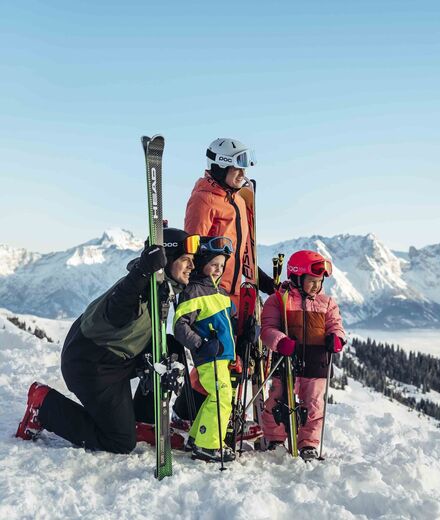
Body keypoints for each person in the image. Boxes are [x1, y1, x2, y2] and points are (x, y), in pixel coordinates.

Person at [15, 228, 198, 453]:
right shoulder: (139, 287)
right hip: (91, 365)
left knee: (170, 348)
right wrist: (142, 271)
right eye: (186, 260)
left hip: (118, 358)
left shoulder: (161, 288)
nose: (192, 266)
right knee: (120, 442)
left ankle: (144, 421)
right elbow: (117, 310)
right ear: (167, 261)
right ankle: (45, 406)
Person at [260, 250, 346, 460]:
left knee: (314, 405)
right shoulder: (278, 300)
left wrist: (336, 338)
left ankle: (308, 443)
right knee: (277, 400)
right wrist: (280, 341)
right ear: (297, 277)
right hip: (286, 358)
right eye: (312, 280)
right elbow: (267, 329)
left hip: (317, 361)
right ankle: (275, 438)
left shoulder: (327, 303)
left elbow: (336, 325)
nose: (316, 285)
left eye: (319, 281)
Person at [184, 138, 275, 307]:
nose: (243, 174)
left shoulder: (239, 201)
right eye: (237, 169)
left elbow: (241, 252)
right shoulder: (203, 200)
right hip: (212, 293)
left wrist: (263, 281)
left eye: (244, 169)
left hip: (235, 294)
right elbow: (193, 249)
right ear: (220, 168)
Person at [172, 237, 237, 462]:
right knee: (222, 397)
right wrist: (201, 344)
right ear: (201, 264)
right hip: (209, 356)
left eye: (221, 265)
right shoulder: (194, 290)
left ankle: (197, 438)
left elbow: (229, 322)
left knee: (216, 395)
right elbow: (180, 326)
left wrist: (246, 329)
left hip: (221, 357)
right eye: (213, 264)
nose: (218, 269)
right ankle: (208, 445)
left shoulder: (219, 293)